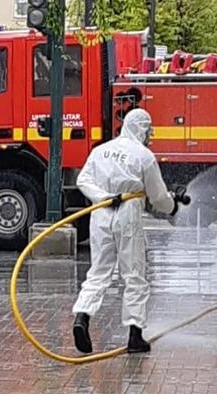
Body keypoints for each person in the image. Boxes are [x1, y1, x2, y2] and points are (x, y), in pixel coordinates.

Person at [71, 108, 191, 354]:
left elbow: (83, 180)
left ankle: (81, 317)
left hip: (101, 212)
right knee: (134, 274)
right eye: (148, 130)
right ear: (141, 129)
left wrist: (103, 197)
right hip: (128, 212)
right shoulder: (143, 156)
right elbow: (158, 197)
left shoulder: (100, 150)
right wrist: (173, 207)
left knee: (99, 271)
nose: (149, 136)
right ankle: (135, 335)